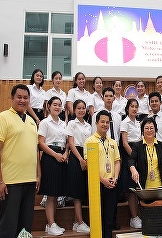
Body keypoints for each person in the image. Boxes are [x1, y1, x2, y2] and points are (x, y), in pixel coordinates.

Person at [0, 84, 41, 238]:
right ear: (12, 98)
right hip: (11, 182)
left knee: (25, 229)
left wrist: (38, 175)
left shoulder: (32, 122)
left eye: (25, 98)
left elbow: (35, 150)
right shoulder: (3, 117)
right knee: (8, 226)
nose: (22, 100)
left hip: (30, 181)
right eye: (19, 97)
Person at [84, 110, 121, 238]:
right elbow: (89, 164)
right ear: (96, 123)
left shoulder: (113, 142)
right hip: (97, 184)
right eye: (102, 122)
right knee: (97, 218)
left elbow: (117, 161)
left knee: (109, 218)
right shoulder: (90, 141)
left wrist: (115, 178)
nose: (105, 124)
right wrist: (102, 180)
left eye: (107, 122)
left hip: (111, 183)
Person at [38, 96, 68, 236]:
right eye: (54, 104)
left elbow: (67, 141)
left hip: (62, 156)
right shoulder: (45, 122)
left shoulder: (63, 123)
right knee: (50, 193)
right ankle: (50, 224)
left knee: (56, 193)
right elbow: (41, 143)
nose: (57, 107)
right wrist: (55, 155)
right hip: (50, 157)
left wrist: (66, 153)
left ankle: (51, 224)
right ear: (48, 106)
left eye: (59, 105)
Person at [66, 99, 91, 233]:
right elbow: (70, 143)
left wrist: (86, 159)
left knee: (82, 190)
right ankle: (80, 222)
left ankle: (76, 222)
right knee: (76, 191)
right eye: (79, 108)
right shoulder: (71, 123)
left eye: (83, 108)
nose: (81, 110)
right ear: (74, 110)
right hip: (77, 157)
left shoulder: (88, 125)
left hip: (87, 156)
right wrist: (81, 159)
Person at [129, 117, 162, 189]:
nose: (149, 130)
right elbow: (131, 160)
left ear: (155, 130)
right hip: (144, 188)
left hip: (161, 187)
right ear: (142, 130)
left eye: (151, 128)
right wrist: (133, 169)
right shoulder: (137, 146)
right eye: (146, 128)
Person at [120, 99, 142, 229]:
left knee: (138, 188)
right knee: (131, 189)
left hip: (138, 154)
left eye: (136, 107)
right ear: (127, 108)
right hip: (129, 155)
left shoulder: (139, 123)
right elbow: (124, 143)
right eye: (132, 106)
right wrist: (134, 157)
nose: (134, 109)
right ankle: (133, 217)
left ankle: (138, 215)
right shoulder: (125, 123)